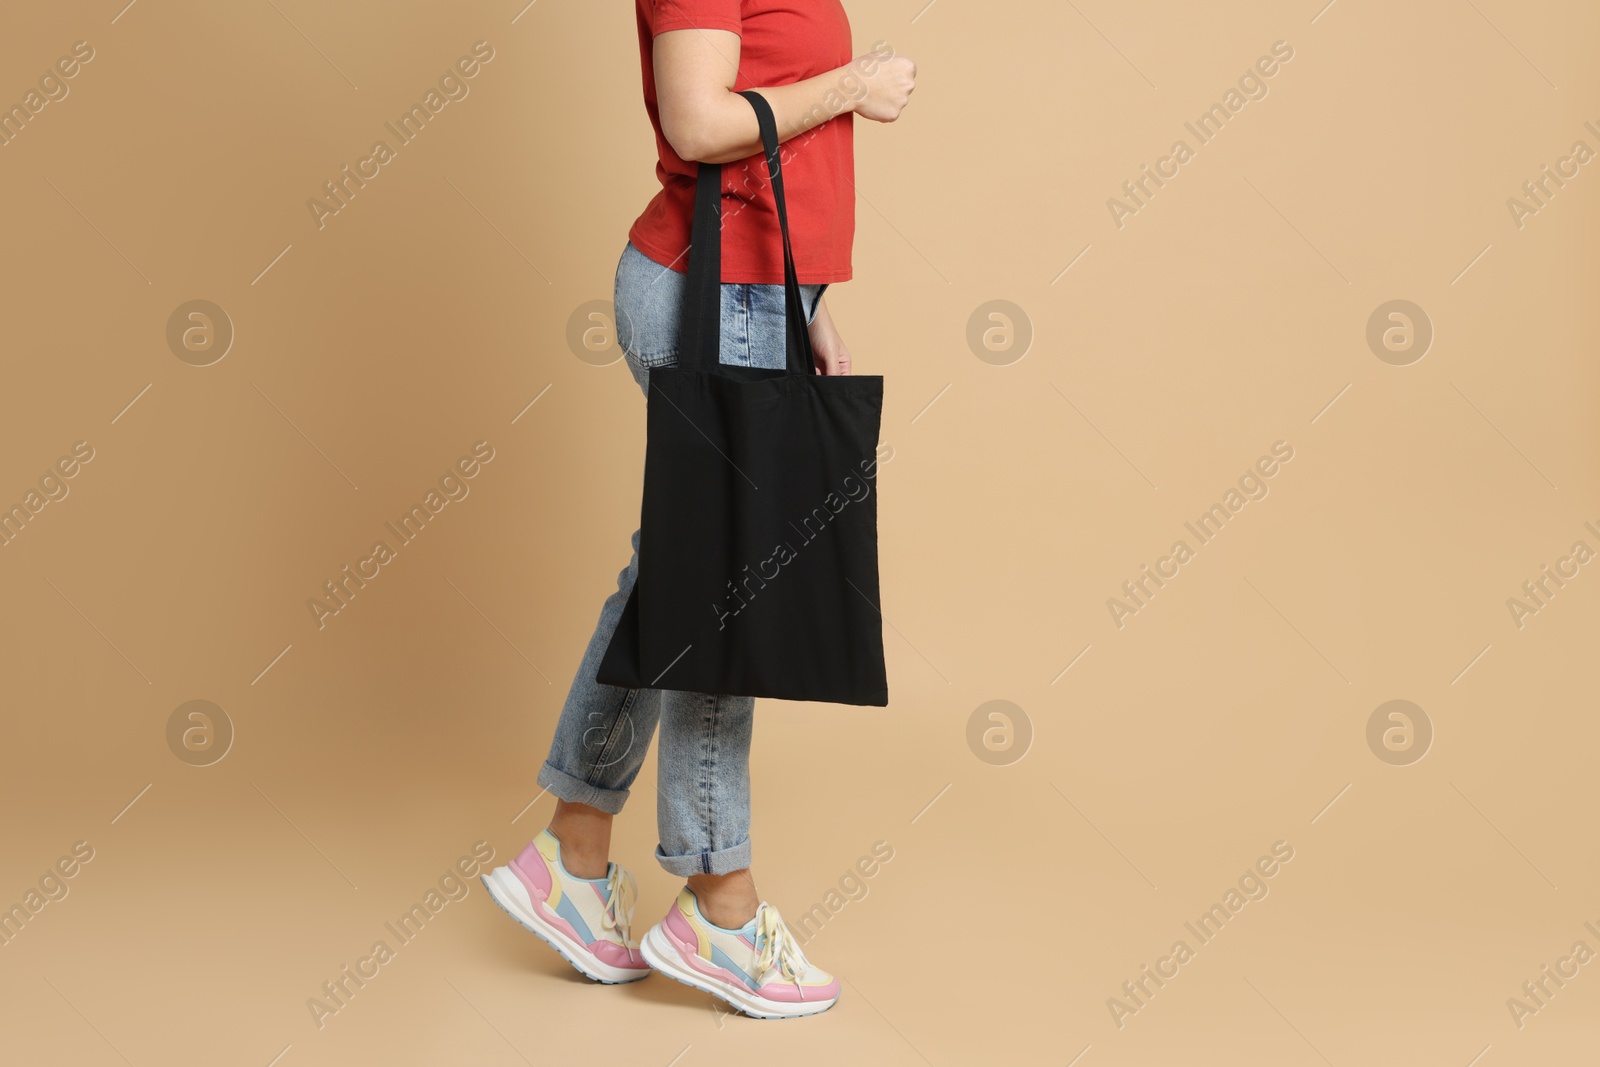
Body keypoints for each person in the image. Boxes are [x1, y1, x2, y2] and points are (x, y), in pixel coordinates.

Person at [481, 1, 915, 1019]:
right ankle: (719, 904)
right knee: (728, 579)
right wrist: (856, 85)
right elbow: (699, 124)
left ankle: (573, 854)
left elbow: (770, 154)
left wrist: (800, 302)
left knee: (684, 566)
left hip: (756, 291)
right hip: (703, 290)